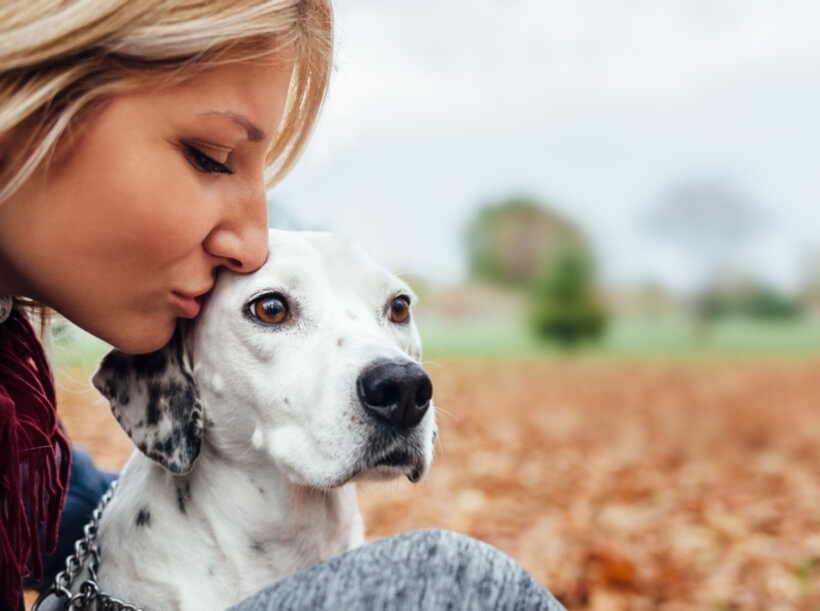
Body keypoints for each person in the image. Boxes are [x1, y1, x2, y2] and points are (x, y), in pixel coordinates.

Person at [0, 2, 563, 610]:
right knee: (451, 583)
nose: (253, 239)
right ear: (22, 102)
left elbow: (56, 500)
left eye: (395, 310)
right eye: (210, 155)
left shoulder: (22, 448)